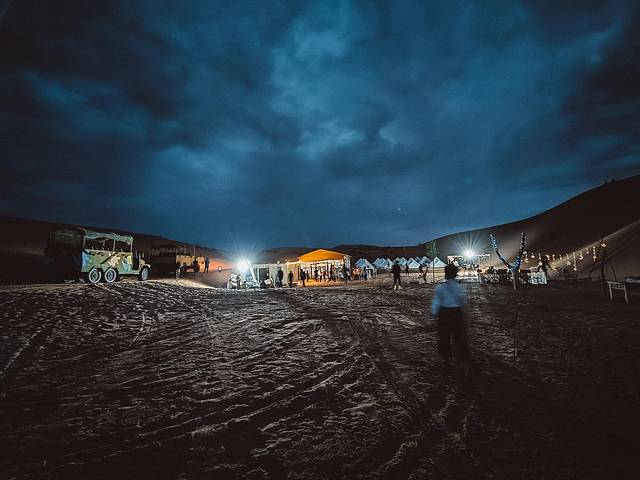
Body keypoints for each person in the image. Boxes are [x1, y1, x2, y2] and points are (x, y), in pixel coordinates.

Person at [431, 264, 470, 374]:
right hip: (457, 313)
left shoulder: (440, 287)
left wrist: (434, 313)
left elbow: (437, 302)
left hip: (444, 314)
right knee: (459, 337)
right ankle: (463, 362)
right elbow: (463, 300)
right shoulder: (459, 287)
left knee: (444, 337)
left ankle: (446, 359)